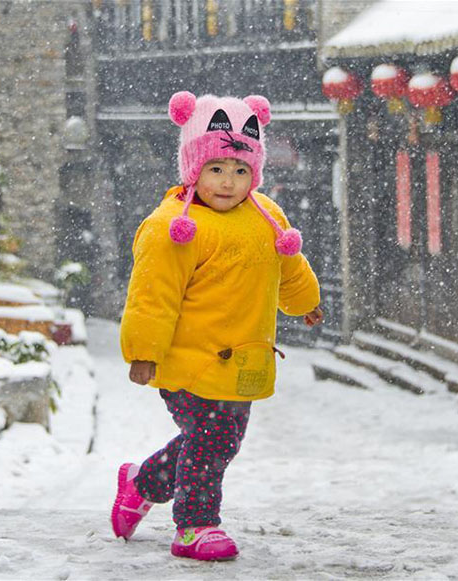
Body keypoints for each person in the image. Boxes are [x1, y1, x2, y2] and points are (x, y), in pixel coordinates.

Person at [111, 91, 323, 561]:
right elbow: (152, 296)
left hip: (242, 358)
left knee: (216, 441)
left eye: (241, 170)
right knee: (211, 441)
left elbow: (287, 265)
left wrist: (305, 302)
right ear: (193, 168)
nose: (228, 182)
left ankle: (141, 483)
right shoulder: (173, 227)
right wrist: (143, 351)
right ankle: (195, 525)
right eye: (216, 168)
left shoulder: (266, 217)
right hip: (187, 361)